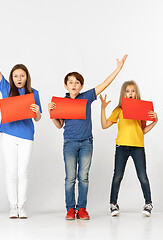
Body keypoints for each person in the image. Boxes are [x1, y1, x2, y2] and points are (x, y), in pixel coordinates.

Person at [48, 55, 128, 220]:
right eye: (70, 82)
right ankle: (70, 209)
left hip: (86, 143)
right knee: (70, 178)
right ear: (65, 85)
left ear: (81, 85)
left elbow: (105, 84)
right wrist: (52, 112)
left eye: (77, 82)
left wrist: (118, 69)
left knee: (83, 177)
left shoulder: (86, 97)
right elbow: (59, 125)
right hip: (69, 142)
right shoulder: (61, 102)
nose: (74, 84)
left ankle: (82, 208)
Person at [0, 32, 41, 219]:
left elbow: (38, 118)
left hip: (26, 136)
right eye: (16, 76)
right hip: (8, 135)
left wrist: (37, 110)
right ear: (12, 78)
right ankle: (12, 206)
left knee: (23, 172)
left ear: (26, 77)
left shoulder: (33, 93)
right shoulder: (6, 89)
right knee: (11, 172)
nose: (19, 78)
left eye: (22, 75)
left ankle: (21, 206)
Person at [100, 81, 157, 217]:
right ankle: (113, 204)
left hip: (138, 147)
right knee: (117, 176)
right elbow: (104, 125)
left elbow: (142, 130)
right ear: (123, 93)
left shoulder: (141, 109)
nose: (130, 93)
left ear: (136, 93)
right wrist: (103, 109)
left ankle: (148, 204)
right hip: (121, 147)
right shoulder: (119, 110)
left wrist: (154, 121)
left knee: (142, 176)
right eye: (127, 91)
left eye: (133, 91)